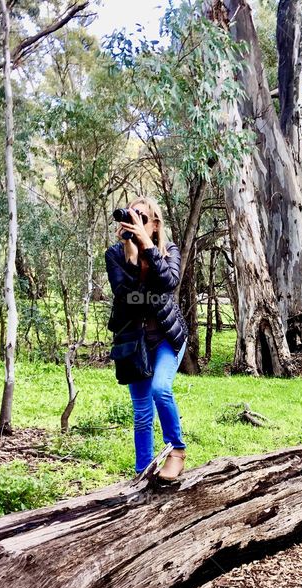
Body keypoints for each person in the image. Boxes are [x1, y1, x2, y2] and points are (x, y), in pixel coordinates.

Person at [105, 196, 188, 480]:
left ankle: (177, 452)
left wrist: (148, 248)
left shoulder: (168, 250)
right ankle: (143, 471)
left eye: (141, 216)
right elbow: (124, 296)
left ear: (154, 225)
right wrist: (131, 256)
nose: (134, 220)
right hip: (133, 342)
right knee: (141, 413)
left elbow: (169, 282)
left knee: (160, 389)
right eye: (131, 215)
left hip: (166, 336)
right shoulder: (115, 255)